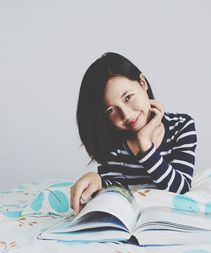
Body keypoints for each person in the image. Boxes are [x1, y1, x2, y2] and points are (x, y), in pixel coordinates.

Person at [70, 52, 197, 214]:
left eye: (128, 97)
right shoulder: (113, 141)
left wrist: (144, 143)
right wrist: (98, 180)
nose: (127, 115)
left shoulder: (182, 126)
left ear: (142, 83)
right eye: (111, 110)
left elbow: (181, 189)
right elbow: (116, 187)